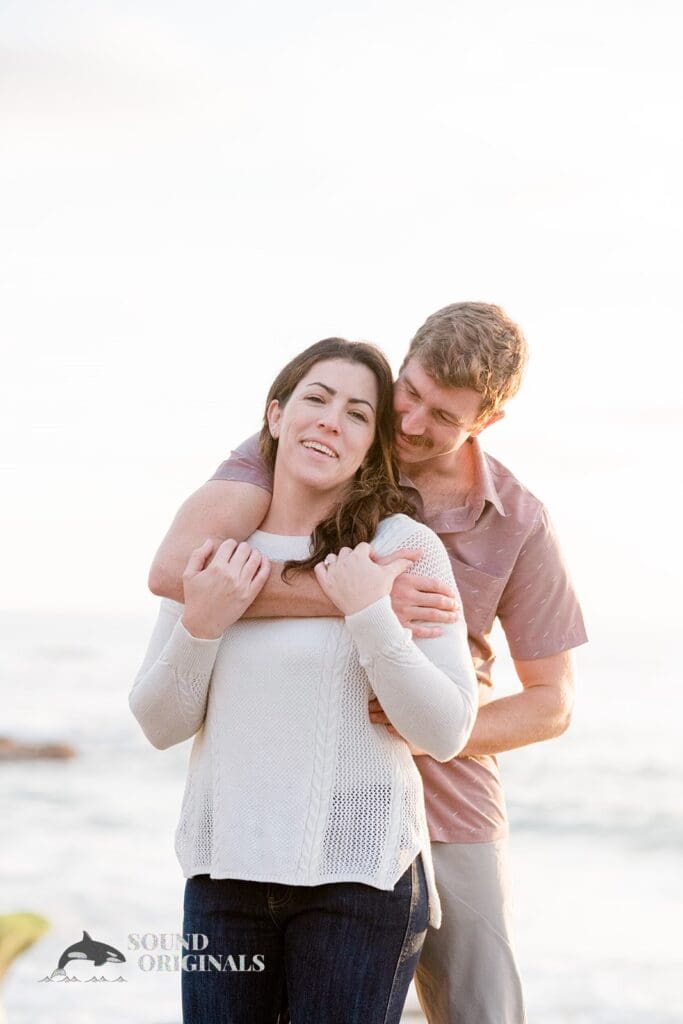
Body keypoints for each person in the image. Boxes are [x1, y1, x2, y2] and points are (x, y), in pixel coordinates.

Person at [149, 303, 588, 1024]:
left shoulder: (516, 519)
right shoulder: (306, 443)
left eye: (442, 416)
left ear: (487, 423)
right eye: (408, 393)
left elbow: (552, 702)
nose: (410, 422)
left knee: (479, 1009)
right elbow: (181, 574)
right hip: (293, 787)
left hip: (447, 793)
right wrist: (356, 597)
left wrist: (425, 728)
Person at [130, 338, 479, 1024]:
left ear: (372, 443)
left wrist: (370, 615)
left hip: (361, 878)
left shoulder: (402, 548)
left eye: (356, 413)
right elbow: (158, 724)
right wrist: (201, 623)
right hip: (222, 876)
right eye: (316, 400)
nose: (329, 421)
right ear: (275, 416)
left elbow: (445, 730)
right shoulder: (216, 553)